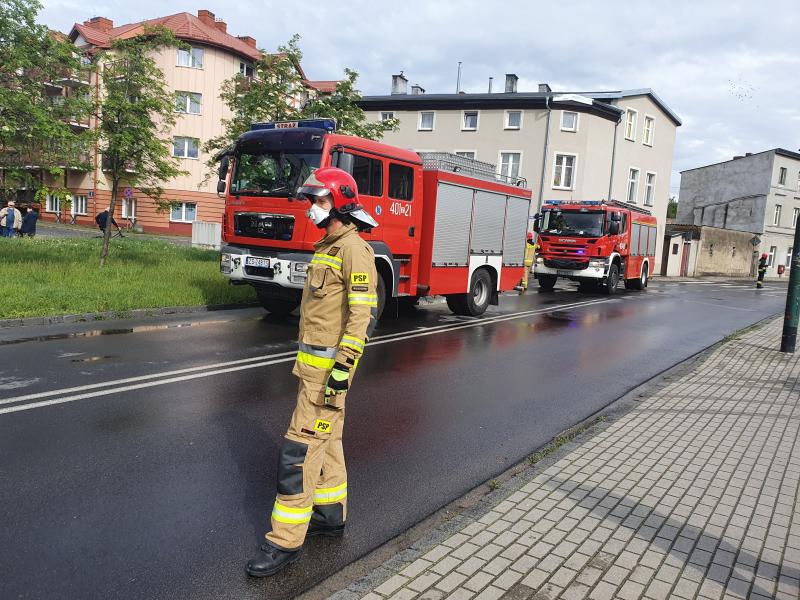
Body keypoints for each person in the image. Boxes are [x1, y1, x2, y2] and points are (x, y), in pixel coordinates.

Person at [246, 167, 379, 577]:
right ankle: (329, 514)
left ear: (340, 203)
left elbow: (362, 316)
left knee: (299, 451)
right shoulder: (328, 247)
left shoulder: (354, 250)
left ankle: (284, 541)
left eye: (319, 201)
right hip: (312, 371)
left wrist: (343, 369)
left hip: (328, 376)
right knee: (329, 441)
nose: (311, 208)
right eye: (311, 201)